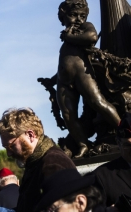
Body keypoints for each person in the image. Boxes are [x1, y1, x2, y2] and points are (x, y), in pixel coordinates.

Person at [0, 107, 76, 212]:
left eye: (11, 146)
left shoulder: (53, 164)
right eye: (5, 148)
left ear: (30, 135)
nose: (8, 153)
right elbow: (33, 210)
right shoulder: (35, 163)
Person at [55, 0, 120, 158]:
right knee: (68, 114)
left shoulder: (84, 28)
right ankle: (83, 144)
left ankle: (124, 129)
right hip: (63, 80)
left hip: (83, 74)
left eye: (82, 16)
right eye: (73, 15)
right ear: (63, 17)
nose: (78, 19)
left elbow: (91, 37)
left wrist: (69, 36)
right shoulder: (69, 37)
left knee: (97, 101)